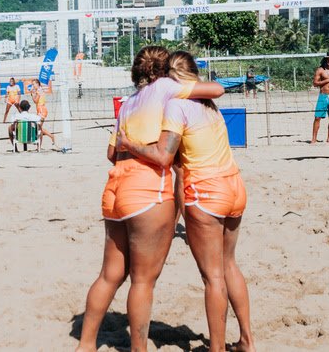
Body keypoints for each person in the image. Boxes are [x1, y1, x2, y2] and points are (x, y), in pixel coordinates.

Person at [76, 46, 224, 352]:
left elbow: (111, 153)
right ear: (163, 69)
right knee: (142, 281)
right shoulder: (168, 88)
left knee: (109, 275)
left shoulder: (127, 104)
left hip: (115, 188)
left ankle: (86, 344)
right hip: (146, 191)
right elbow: (217, 89)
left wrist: (132, 144)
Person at [117, 51, 255, 352]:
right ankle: (247, 340)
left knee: (213, 277)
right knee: (229, 265)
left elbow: (167, 159)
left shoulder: (177, 106)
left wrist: (129, 144)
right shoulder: (210, 106)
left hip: (207, 193)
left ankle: (217, 349)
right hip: (235, 185)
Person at [30, 78, 55, 147]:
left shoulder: (39, 90)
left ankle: (50, 137)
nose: (33, 85)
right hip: (41, 109)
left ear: (37, 84)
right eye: (32, 84)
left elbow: (35, 101)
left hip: (41, 109)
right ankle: (39, 145)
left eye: (34, 84)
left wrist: (32, 94)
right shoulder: (39, 89)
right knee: (39, 128)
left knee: (38, 128)